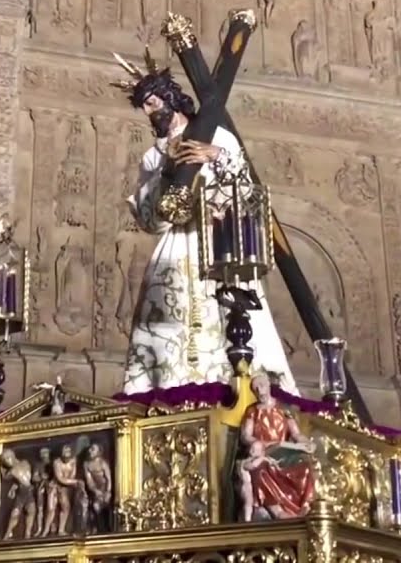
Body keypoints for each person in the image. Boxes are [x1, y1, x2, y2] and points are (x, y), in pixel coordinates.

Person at [114, 50, 297, 395]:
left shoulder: (216, 135)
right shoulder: (153, 156)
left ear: (170, 99)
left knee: (231, 316)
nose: (148, 113)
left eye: (152, 104)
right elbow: (150, 219)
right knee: (169, 324)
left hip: (219, 240)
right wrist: (167, 170)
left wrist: (215, 155)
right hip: (177, 248)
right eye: (144, 107)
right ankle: (169, 389)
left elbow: (246, 190)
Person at [237, 374, 316, 520]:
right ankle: (278, 512)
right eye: (255, 388)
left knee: (304, 464)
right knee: (260, 471)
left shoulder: (283, 408)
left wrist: (307, 443)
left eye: (261, 385)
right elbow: (245, 435)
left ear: (268, 385)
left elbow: (296, 434)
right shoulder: (252, 411)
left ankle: (305, 507)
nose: (259, 390)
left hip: (284, 452)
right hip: (265, 452)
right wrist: (257, 442)